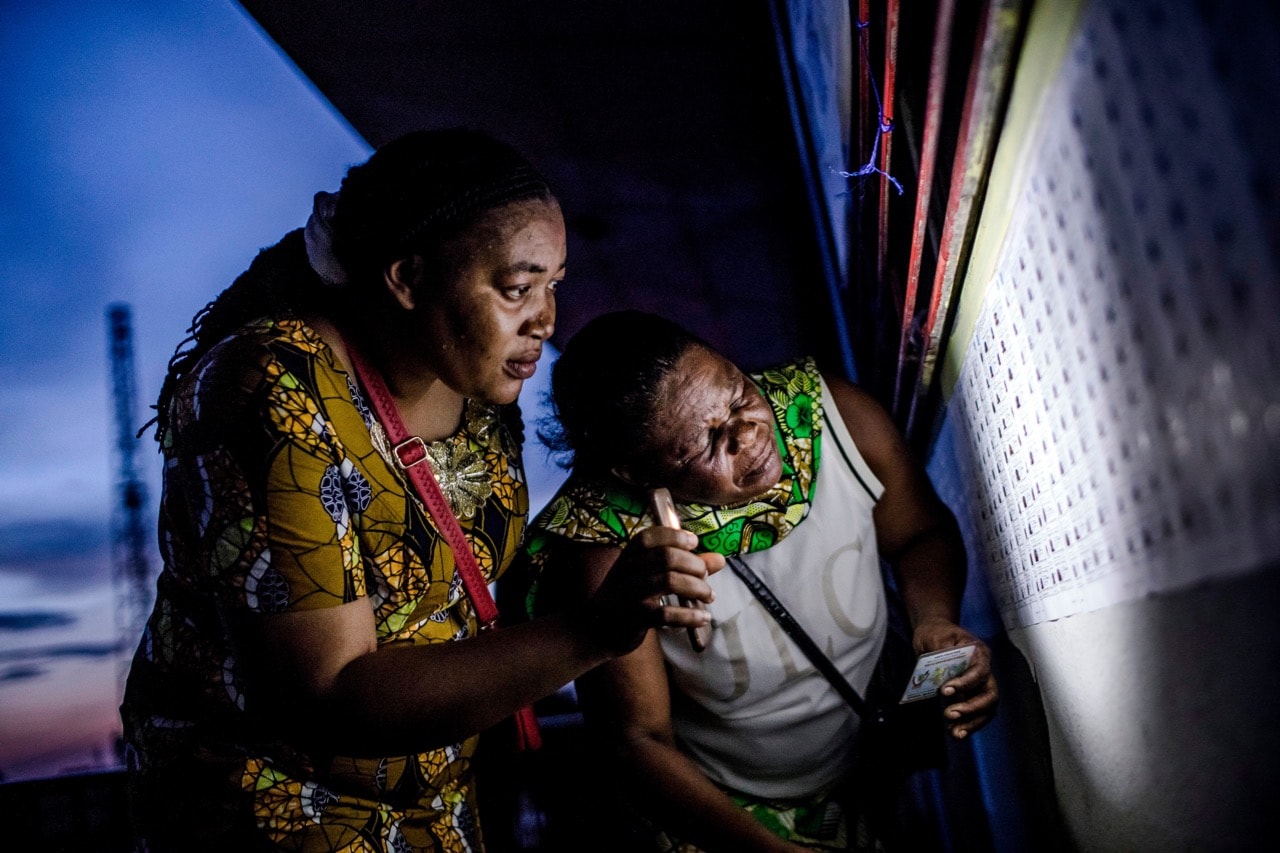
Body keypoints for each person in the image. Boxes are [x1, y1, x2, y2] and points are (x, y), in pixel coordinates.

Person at [119, 131, 717, 851]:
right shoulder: (274, 388)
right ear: (407, 278)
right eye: (518, 288)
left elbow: (467, 596)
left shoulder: (482, 389)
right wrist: (593, 629)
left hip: (438, 810)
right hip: (269, 814)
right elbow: (328, 695)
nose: (547, 320)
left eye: (554, 284)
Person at [521, 310, 999, 852]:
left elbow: (920, 534)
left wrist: (935, 624)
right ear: (635, 473)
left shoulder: (834, 419)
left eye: (739, 395)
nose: (747, 434)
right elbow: (638, 742)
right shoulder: (614, 555)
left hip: (865, 766)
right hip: (730, 814)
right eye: (706, 444)